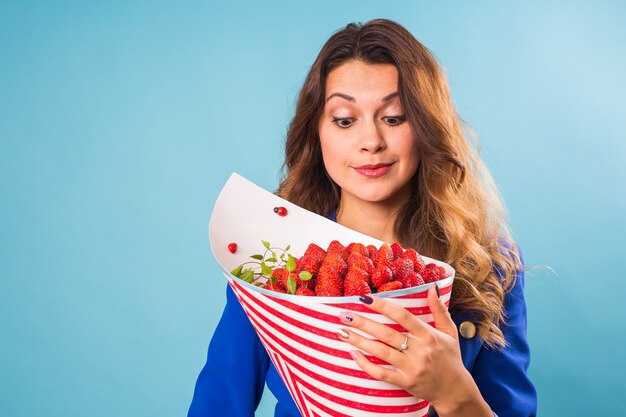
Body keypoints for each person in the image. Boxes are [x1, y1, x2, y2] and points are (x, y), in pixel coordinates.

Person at [189, 19, 537, 417]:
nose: (371, 141)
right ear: (316, 132)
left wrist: (456, 395)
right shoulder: (273, 263)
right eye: (344, 119)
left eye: (394, 118)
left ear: (425, 128)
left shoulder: (488, 266)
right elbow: (216, 406)